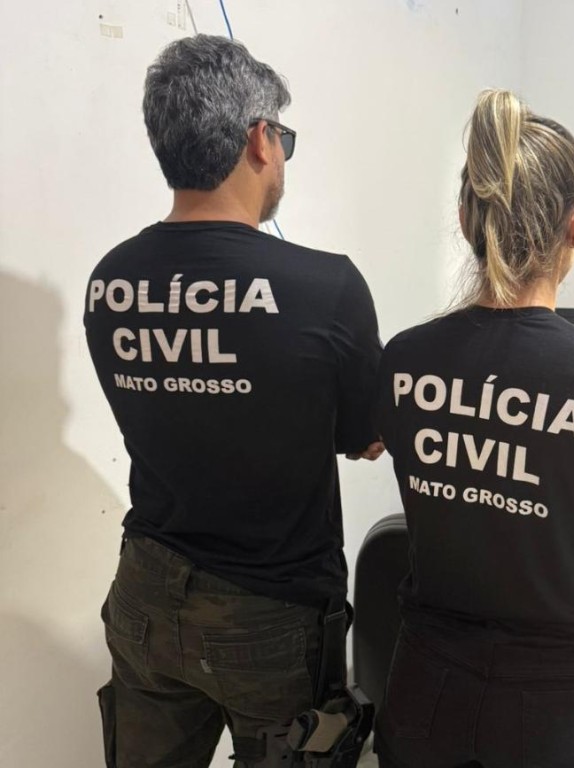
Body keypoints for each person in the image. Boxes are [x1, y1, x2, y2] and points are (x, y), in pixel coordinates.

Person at [84, 35, 383, 768]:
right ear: (259, 139)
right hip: (273, 613)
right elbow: (365, 437)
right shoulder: (327, 287)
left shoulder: (110, 279)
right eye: (283, 140)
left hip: (146, 593)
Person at [373, 89, 574, 768]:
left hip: (425, 690)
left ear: (465, 218)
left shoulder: (403, 359)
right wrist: (569, 550)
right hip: (562, 709)